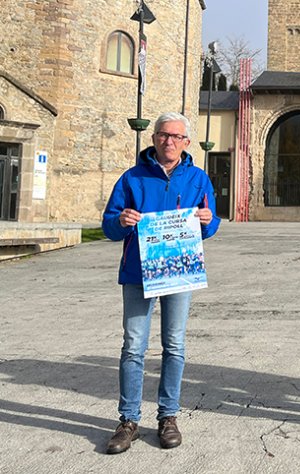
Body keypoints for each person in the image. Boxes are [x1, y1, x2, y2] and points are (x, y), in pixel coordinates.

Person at [101, 112, 220, 454]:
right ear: (153, 139)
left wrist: (209, 222)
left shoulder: (198, 179)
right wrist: (121, 221)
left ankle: (168, 416)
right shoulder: (132, 178)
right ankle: (128, 420)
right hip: (138, 273)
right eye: (162, 135)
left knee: (175, 344)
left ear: (186, 142)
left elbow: (210, 225)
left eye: (175, 136)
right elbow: (109, 225)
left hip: (178, 272)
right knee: (133, 346)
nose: (168, 141)